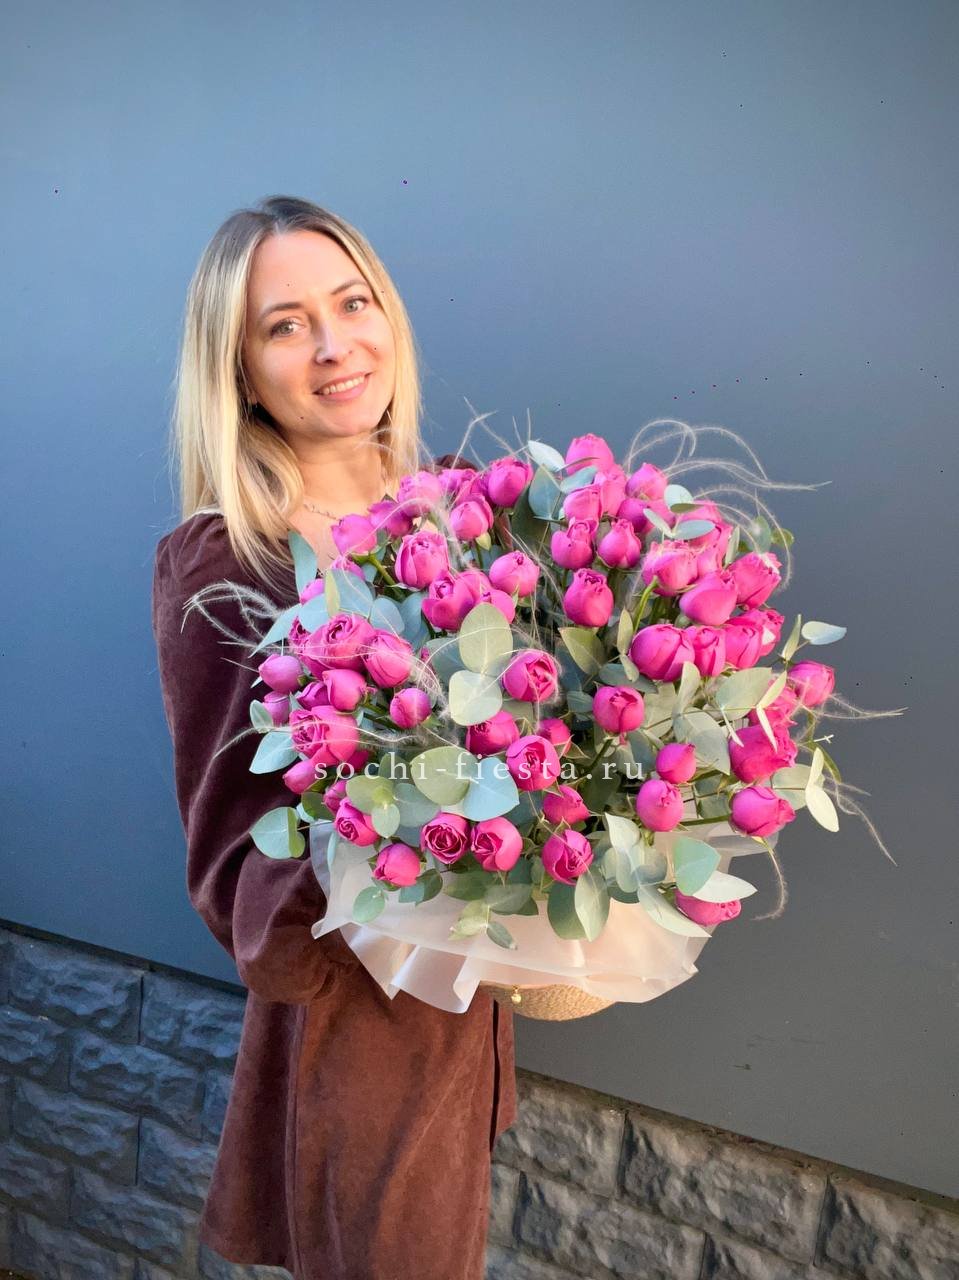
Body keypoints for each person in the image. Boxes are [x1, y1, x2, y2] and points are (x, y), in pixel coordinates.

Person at [151, 195, 516, 1279]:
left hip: (469, 1017)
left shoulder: (460, 511)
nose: (332, 345)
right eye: (284, 324)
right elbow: (231, 873)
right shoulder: (228, 561)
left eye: (352, 303)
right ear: (238, 370)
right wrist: (397, 838)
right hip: (354, 1035)